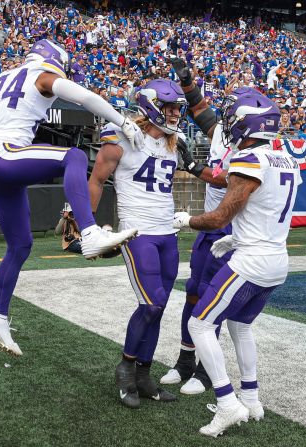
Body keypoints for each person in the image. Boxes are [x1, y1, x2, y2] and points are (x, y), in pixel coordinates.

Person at [0, 39, 143, 357]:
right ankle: (89, 232)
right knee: (73, 157)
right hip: (6, 154)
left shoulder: (3, 78)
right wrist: (122, 120)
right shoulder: (44, 76)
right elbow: (84, 97)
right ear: (55, 60)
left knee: (21, 245)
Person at [172, 91, 300, 438]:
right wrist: (237, 237)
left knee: (200, 325)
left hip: (252, 263)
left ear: (248, 122)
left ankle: (228, 403)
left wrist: (187, 220)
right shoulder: (287, 160)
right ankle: (252, 397)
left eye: (233, 118)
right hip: (276, 260)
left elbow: (219, 217)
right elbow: (264, 211)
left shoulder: (249, 160)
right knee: (241, 327)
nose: (228, 123)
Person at [89, 78, 186, 409]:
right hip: (137, 232)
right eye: (169, 107)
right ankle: (126, 367)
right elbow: (96, 180)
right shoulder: (121, 138)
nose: (174, 114)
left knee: (159, 309)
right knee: (151, 304)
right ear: (149, 105)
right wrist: (88, 226)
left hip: (167, 233)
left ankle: (144, 376)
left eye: (177, 108)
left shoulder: (175, 144)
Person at [160, 60, 245, 397]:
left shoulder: (252, 144)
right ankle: (184, 360)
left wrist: (194, 166)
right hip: (208, 228)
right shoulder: (223, 132)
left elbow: (230, 179)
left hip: (229, 230)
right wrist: (186, 81)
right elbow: (198, 108)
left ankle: (206, 371)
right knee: (192, 291)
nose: (224, 115)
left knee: (212, 298)